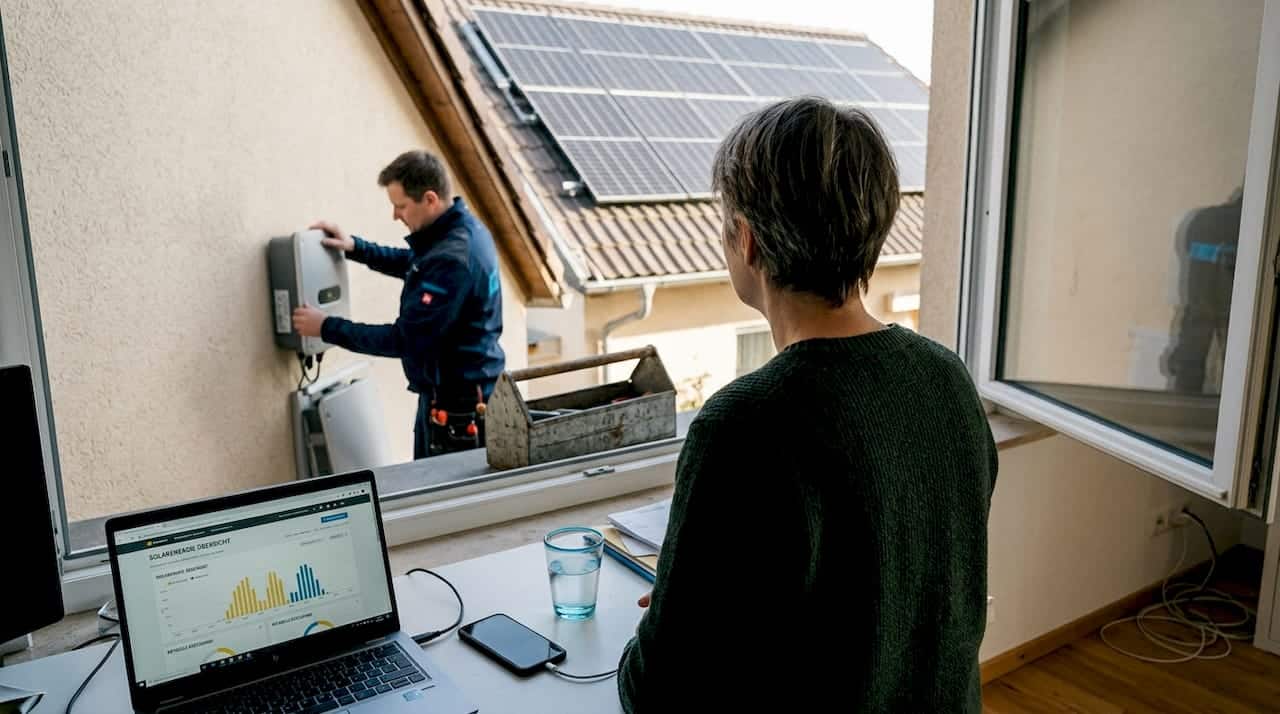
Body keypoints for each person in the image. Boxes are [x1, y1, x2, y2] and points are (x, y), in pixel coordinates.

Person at [616, 98, 998, 712]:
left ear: (746, 240)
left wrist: (672, 612)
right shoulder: (946, 379)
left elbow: (658, 691)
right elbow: (892, 586)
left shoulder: (744, 424)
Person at [292, 150, 504, 459]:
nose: (395, 215)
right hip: (457, 395)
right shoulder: (460, 231)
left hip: (458, 412)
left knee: (440, 500)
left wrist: (326, 327)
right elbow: (417, 264)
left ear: (430, 199)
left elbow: (404, 340)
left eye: (401, 206)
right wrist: (356, 248)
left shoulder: (453, 258)